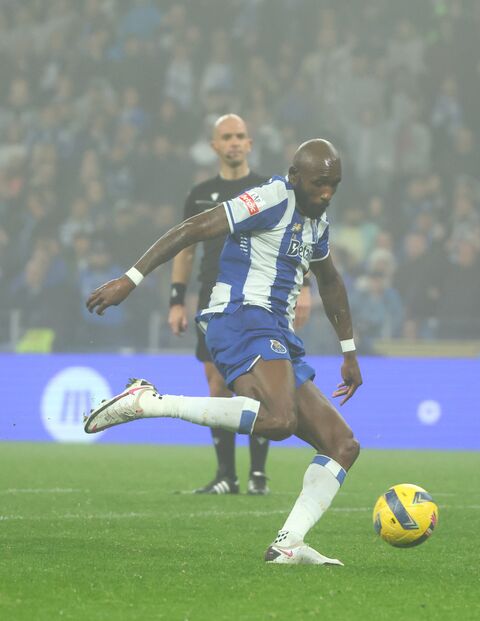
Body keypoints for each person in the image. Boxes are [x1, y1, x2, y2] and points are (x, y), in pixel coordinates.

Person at [85, 139, 362, 565]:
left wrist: (349, 351)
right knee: (279, 420)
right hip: (238, 315)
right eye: (320, 183)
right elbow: (193, 228)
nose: (327, 193)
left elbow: (330, 282)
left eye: (335, 185)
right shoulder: (271, 198)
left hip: (276, 332)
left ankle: (288, 544)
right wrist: (132, 278)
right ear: (296, 177)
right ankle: (149, 402)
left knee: (342, 445)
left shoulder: (317, 223)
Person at [168, 113, 308, 496]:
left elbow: (294, 240)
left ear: (250, 144)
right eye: (226, 136)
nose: (233, 142)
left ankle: (258, 475)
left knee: (261, 385)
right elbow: (185, 249)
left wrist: (305, 288)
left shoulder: (267, 188)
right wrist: (176, 299)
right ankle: (226, 475)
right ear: (214, 145)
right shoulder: (198, 193)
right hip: (213, 301)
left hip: (261, 300)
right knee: (217, 384)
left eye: (240, 136)